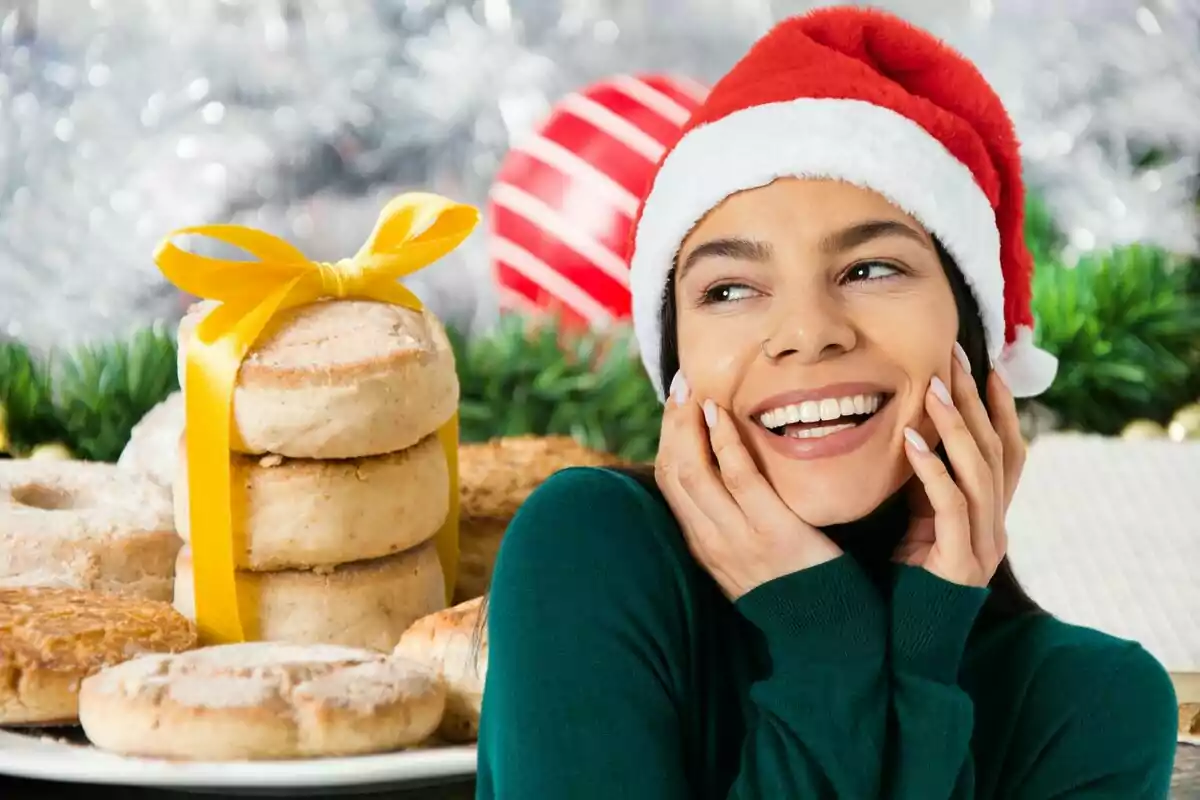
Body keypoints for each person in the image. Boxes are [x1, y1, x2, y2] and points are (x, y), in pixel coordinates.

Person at [476, 7, 1179, 799]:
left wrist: (916, 656)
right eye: (730, 288)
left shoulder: (1096, 708)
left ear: (975, 336)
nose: (807, 334)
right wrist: (827, 645)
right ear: (678, 368)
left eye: (872, 269)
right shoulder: (589, 551)